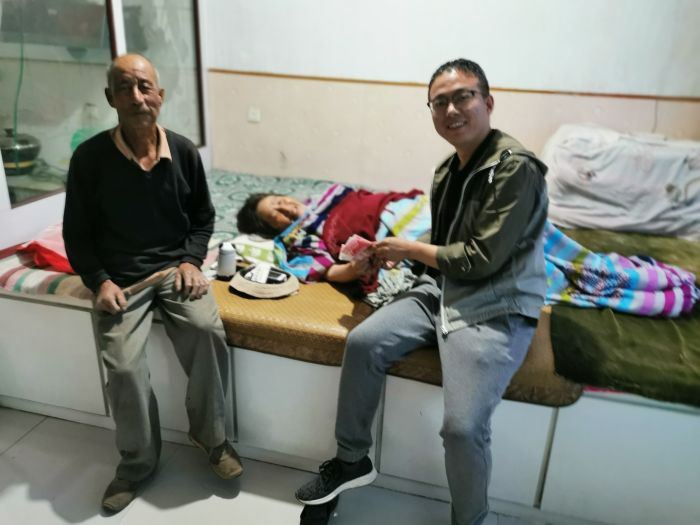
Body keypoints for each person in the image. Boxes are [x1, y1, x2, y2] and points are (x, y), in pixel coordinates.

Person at [294, 59, 549, 525]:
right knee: (363, 342)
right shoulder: (447, 169)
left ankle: (472, 520)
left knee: (462, 428)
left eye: (463, 96)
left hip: (496, 303)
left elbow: (481, 259)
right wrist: (392, 254)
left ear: (488, 102)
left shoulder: (515, 169)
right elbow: (445, 243)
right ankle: (351, 461)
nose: (451, 109)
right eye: (439, 102)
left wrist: (409, 247)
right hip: (442, 289)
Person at [63, 54, 241, 514]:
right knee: (122, 367)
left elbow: (202, 217)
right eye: (125, 88)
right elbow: (76, 233)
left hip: (174, 271)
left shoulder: (183, 152)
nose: (137, 97)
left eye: (145, 87)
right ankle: (137, 464)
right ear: (111, 98)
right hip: (121, 280)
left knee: (207, 332)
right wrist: (99, 281)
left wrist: (191, 261)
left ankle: (213, 439)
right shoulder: (90, 158)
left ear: (160, 95)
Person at [236, 186, 430, 293]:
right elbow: (328, 272)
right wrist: (354, 268)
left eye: (279, 201)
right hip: (396, 236)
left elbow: (359, 199)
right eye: (275, 215)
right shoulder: (298, 239)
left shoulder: (327, 196)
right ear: (273, 229)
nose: (285, 207)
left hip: (406, 207)